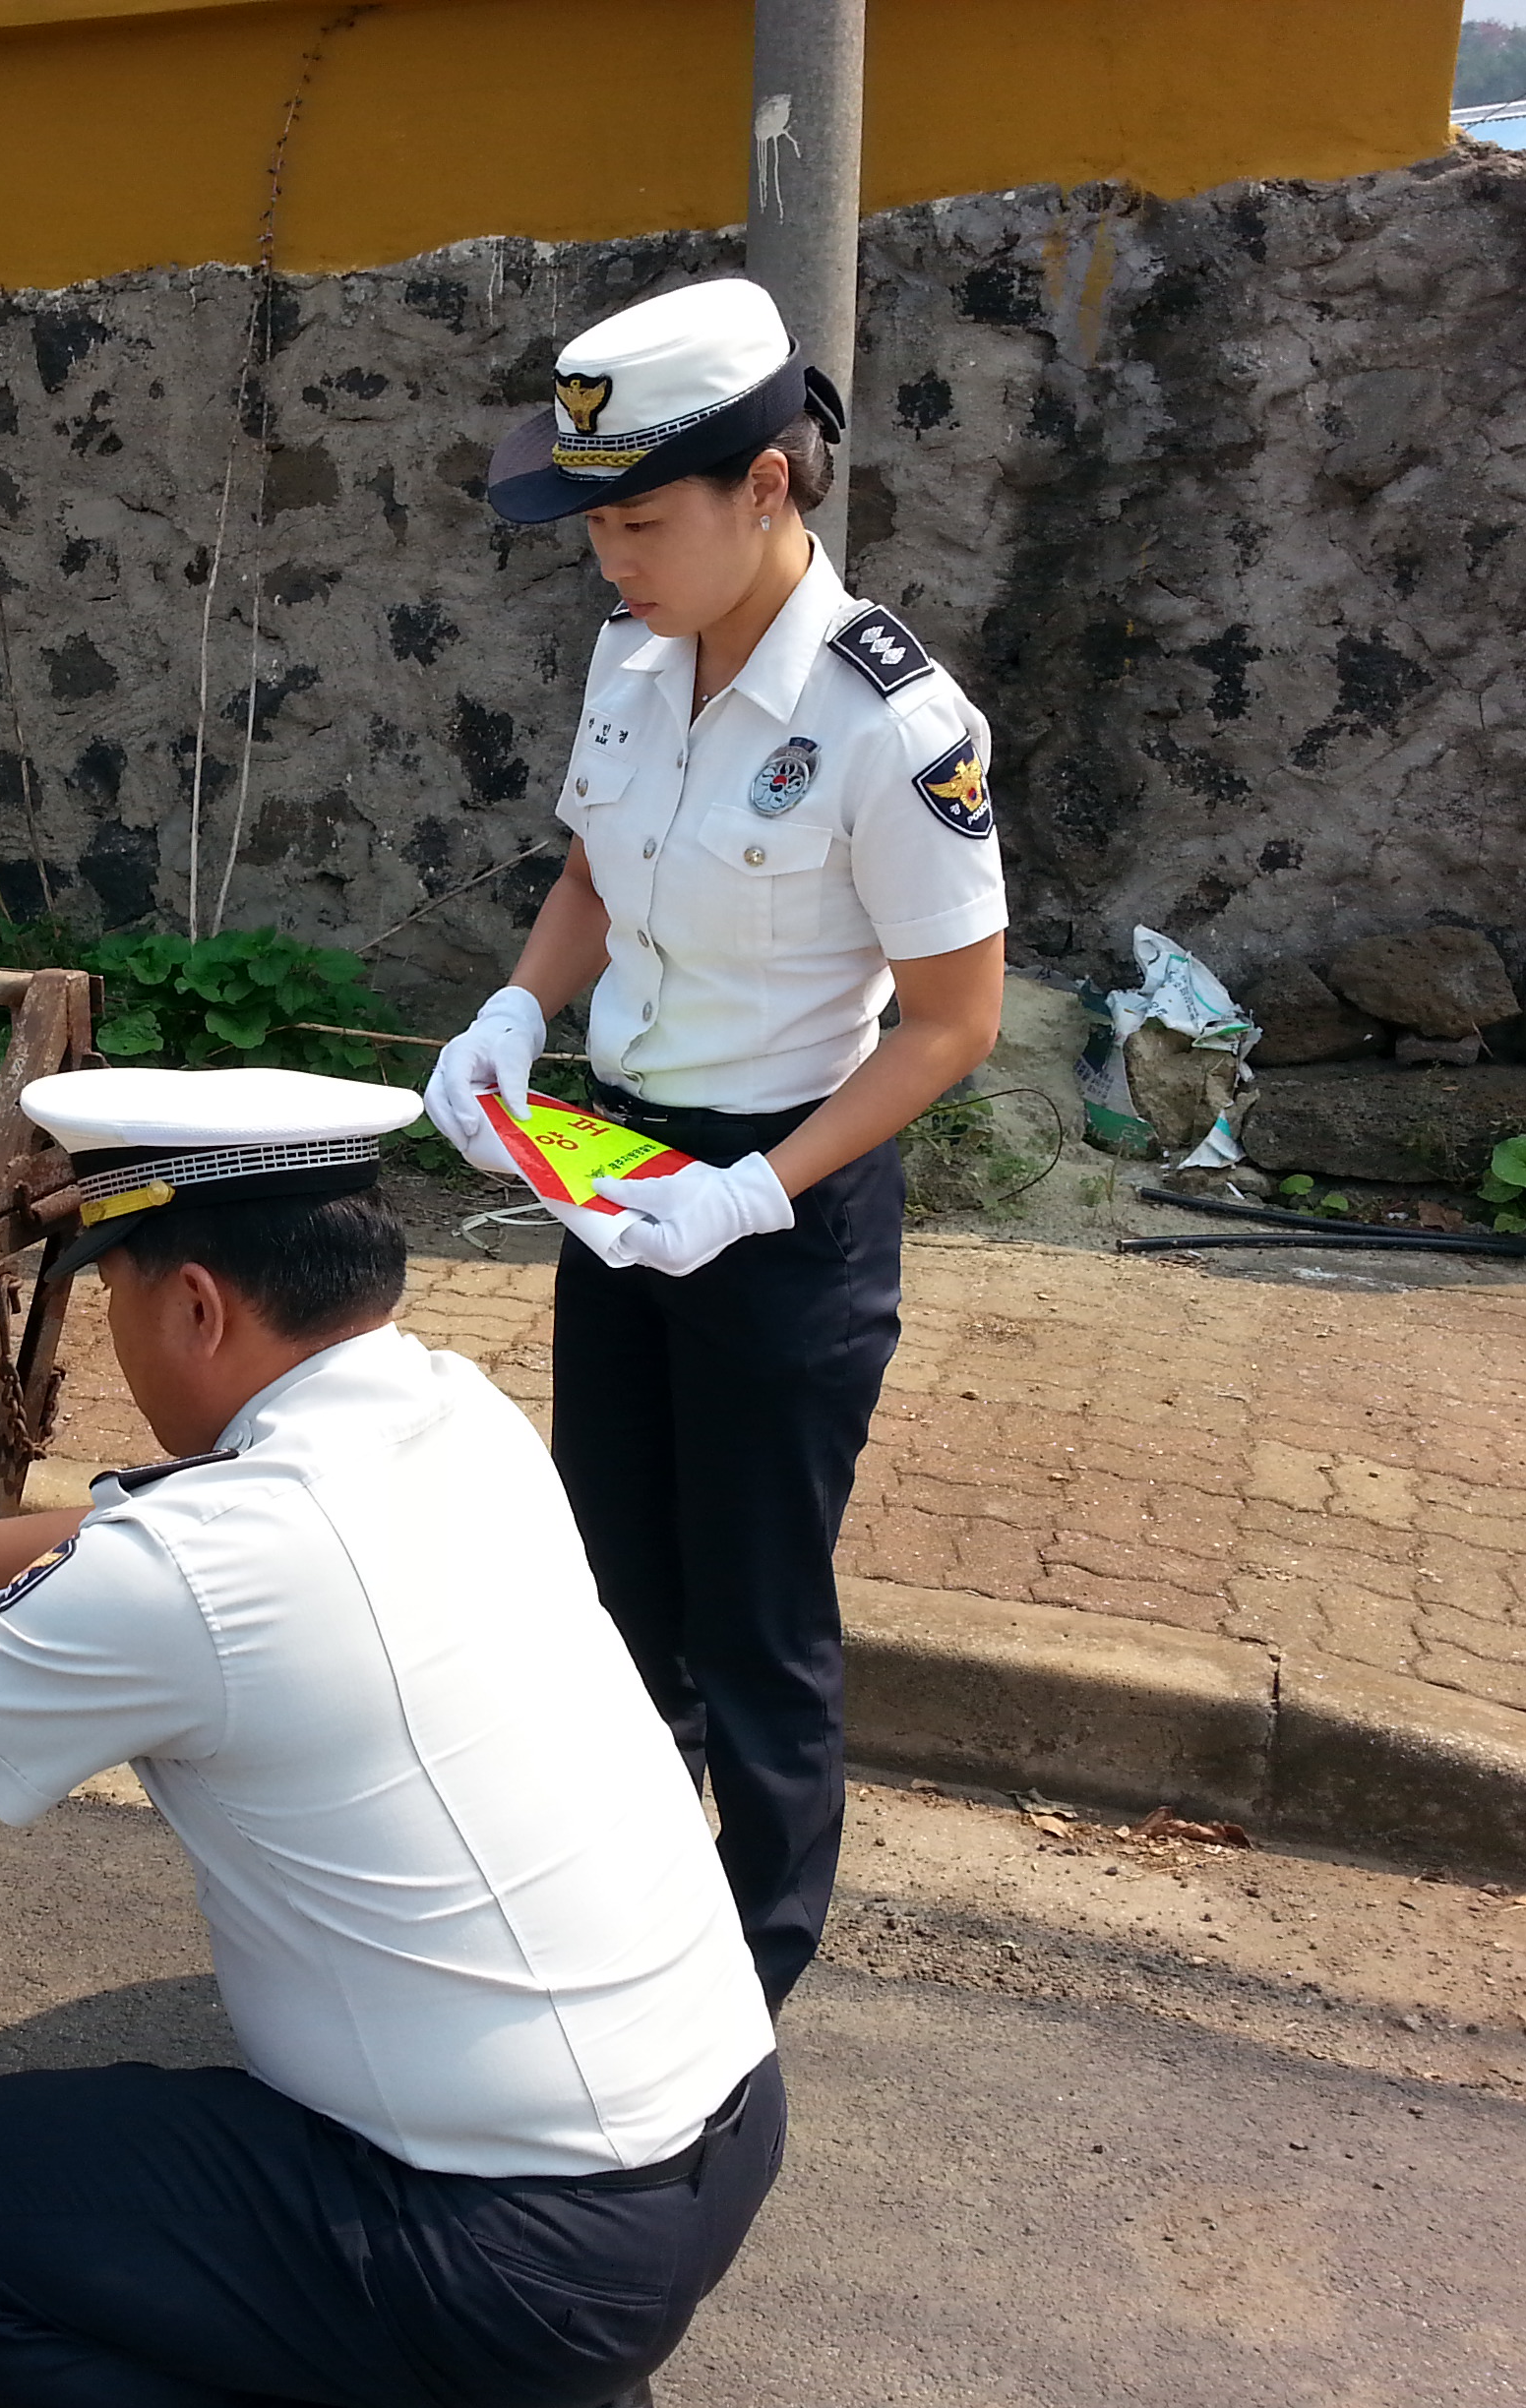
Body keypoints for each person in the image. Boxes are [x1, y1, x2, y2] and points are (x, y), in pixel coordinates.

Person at [0, 1064, 784, 2408]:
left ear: (198, 1303)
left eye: (113, 1299)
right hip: (717, 2133)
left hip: (524, 2248)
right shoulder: (451, 1415)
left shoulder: (210, 1568)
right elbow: (139, 1545)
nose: (116, 1334)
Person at [423, 277, 1007, 2014]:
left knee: (754, 1616)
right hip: (624, 1178)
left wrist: (758, 1190)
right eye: (597, 527)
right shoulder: (638, 654)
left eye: (643, 521)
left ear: (768, 485)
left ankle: (745, 1984)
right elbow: (599, 869)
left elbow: (951, 1025)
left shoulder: (896, 724)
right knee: (614, 1583)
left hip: (788, 1196)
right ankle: (618, 1916)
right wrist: (517, 1015)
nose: (615, 562)